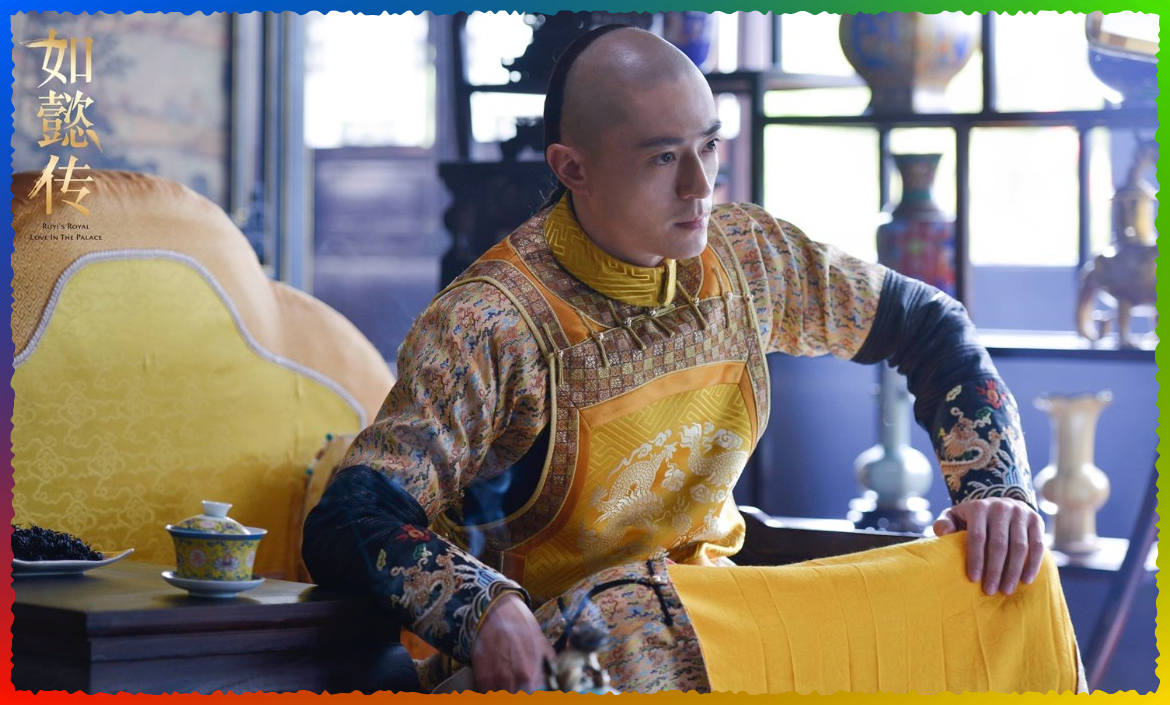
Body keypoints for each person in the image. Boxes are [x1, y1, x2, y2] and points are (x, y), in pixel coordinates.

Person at [303, 25, 1053, 694]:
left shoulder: (751, 258)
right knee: (629, 623)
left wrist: (995, 489)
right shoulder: (488, 324)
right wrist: (485, 609)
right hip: (567, 655)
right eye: (664, 157)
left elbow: (930, 325)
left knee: (1003, 577)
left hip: (725, 615)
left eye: (709, 146)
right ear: (572, 167)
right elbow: (351, 516)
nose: (700, 186)